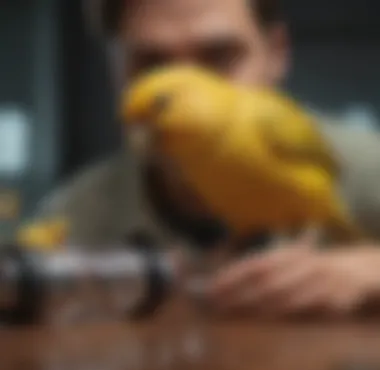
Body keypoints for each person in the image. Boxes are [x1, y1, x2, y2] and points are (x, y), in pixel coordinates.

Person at [36, 0, 380, 317]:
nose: (188, 90)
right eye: (151, 63)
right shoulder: (76, 217)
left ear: (277, 53)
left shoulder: (366, 164)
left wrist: (368, 271)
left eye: (219, 56)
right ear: (116, 72)